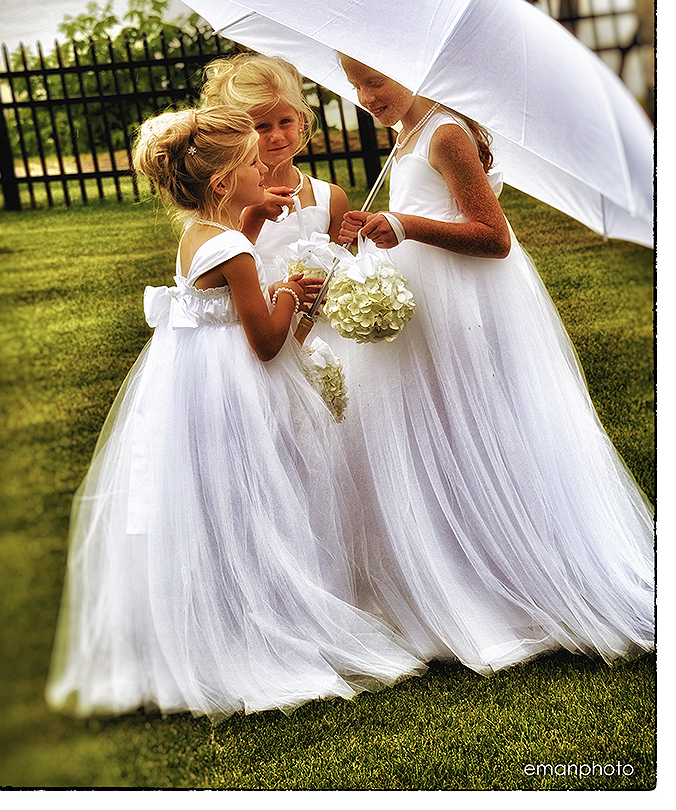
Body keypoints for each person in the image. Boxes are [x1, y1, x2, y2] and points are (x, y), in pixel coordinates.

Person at [45, 104, 424, 720]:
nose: (265, 167)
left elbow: (219, 270)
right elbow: (269, 341)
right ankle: (268, 620)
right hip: (238, 384)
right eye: (252, 163)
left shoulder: (202, 232)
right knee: (260, 495)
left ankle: (213, 614)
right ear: (224, 181)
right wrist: (296, 295)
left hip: (193, 379)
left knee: (212, 496)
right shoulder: (236, 253)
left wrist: (248, 221)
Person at [336, 54, 654, 674]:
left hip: (469, 305)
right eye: (355, 87)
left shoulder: (446, 133)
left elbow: (492, 235)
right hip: (428, 304)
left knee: (486, 427)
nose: (365, 97)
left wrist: (401, 224)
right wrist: (375, 231)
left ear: (411, 69)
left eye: (375, 81)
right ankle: (463, 567)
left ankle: (525, 574)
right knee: (441, 435)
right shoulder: (406, 133)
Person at [201, 53, 350, 284]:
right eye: (262, 126)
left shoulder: (331, 198)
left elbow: (340, 271)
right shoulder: (224, 204)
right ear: (240, 134)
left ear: (300, 120)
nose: (277, 136)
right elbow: (217, 278)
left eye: (285, 122)